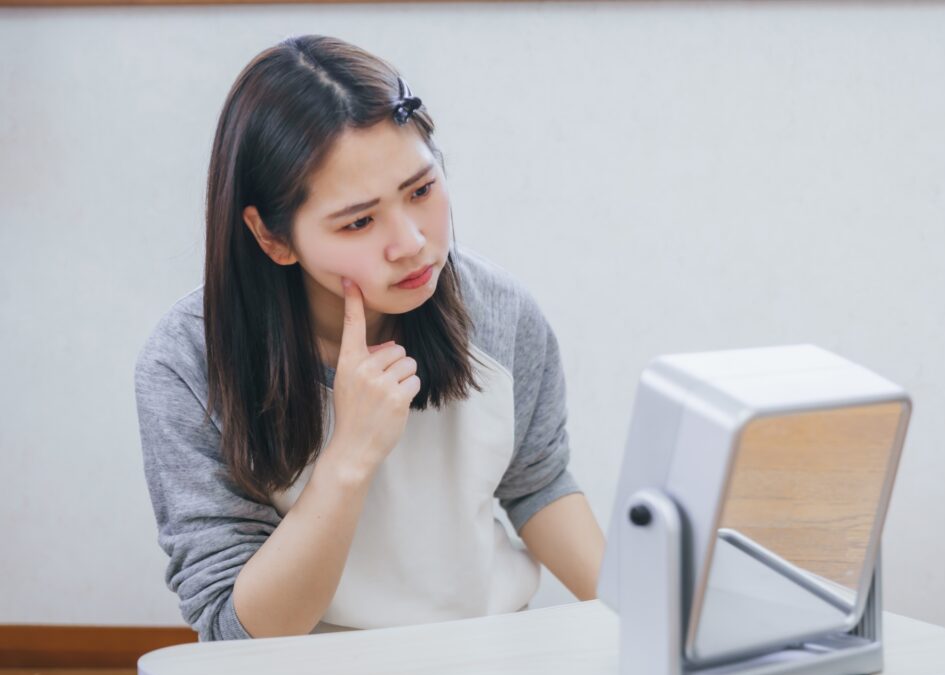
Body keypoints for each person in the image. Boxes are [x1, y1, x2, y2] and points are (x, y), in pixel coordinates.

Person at [134, 34, 606, 642]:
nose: (410, 241)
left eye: (422, 190)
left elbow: (538, 484)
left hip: (484, 650)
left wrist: (652, 623)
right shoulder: (189, 364)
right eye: (359, 221)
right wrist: (349, 457)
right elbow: (238, 633)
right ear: (272, 237)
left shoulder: (500, 312)